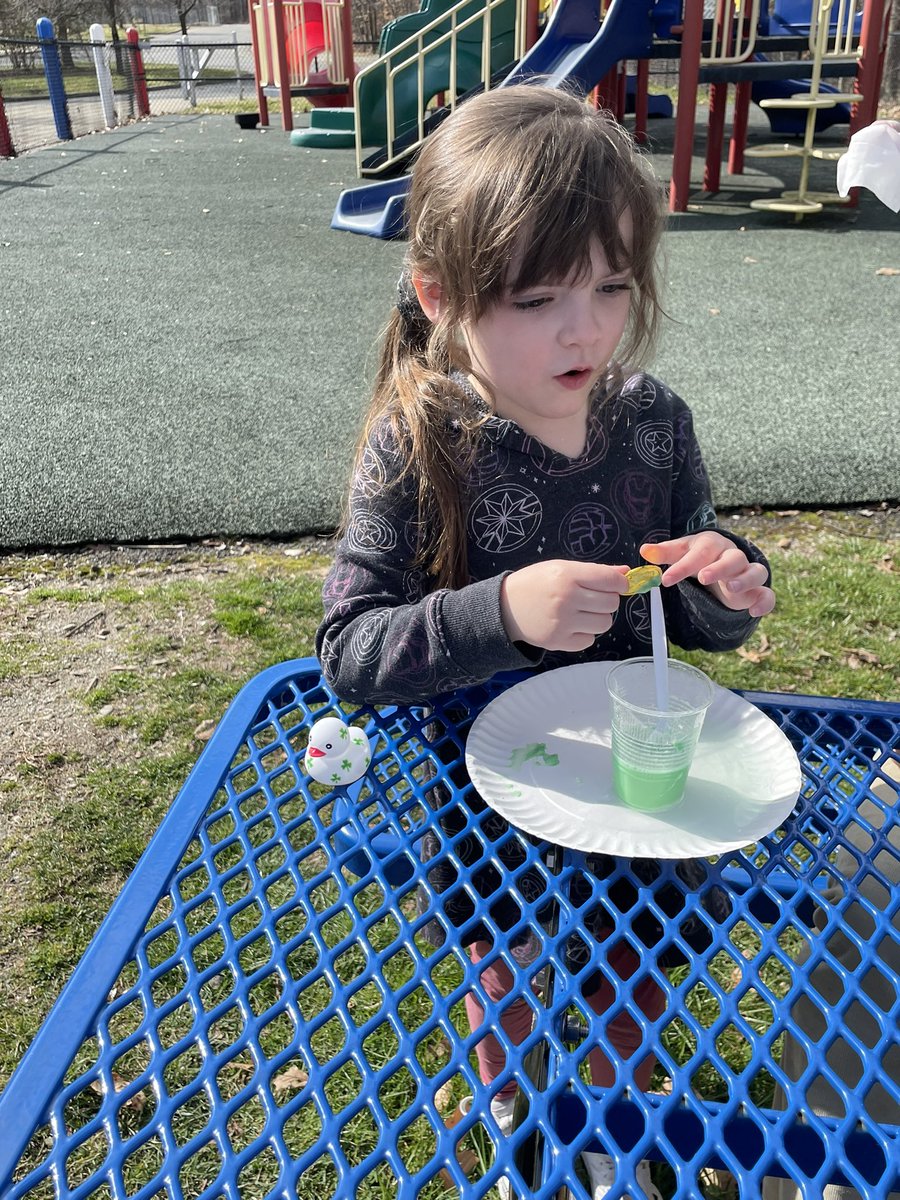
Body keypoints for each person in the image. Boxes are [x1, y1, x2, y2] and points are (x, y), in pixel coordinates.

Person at [316, 84, 775, 1200]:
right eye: (538, 298)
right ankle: (512, 1095)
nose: (586, 329)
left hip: (647, 782)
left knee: (639, 965)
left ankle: (611, 1113)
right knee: (506, 967)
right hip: (491, 793)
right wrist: (502, 612)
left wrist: (724, 582)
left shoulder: (654, 422)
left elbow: (686, 606)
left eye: (613, 286)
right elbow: (351, 654)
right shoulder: (419, 440)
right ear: (442, 295)